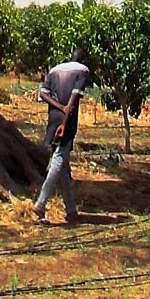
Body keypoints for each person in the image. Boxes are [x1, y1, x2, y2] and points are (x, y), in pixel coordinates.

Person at [33, 56, 90, 223]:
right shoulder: (82, 71)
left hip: (53, 117)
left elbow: (43, 94)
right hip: (67, 119)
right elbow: (73, 98)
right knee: (58, 159)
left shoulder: (54, 70)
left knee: (62, 164)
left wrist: (58, 107)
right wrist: (65, 117)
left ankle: (71, 210)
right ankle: (41, 203)